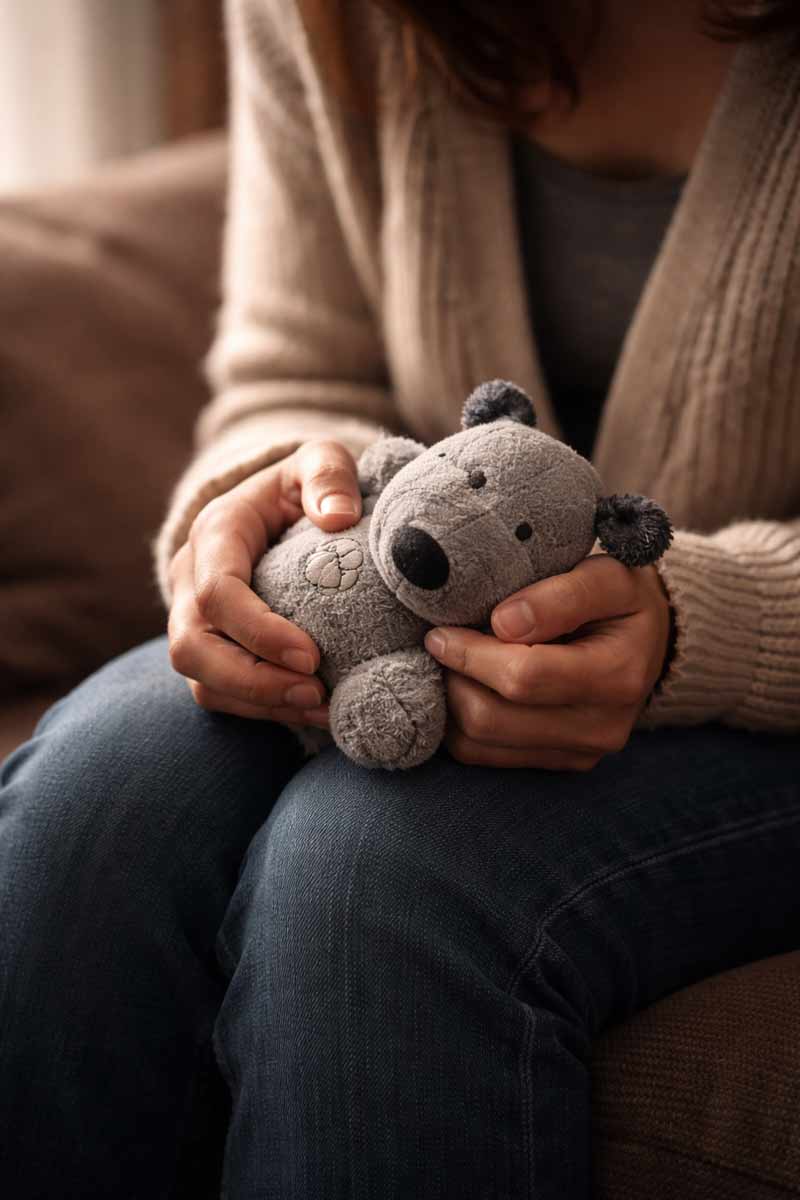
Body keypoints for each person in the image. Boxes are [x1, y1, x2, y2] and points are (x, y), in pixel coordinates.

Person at [1, 0, 799, 1196]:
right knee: (96, 800)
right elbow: (298, 363)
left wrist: (701, 618)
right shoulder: (333, 13)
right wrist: (275, 496)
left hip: (769, 691)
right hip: (380, 614)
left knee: (374, 870)